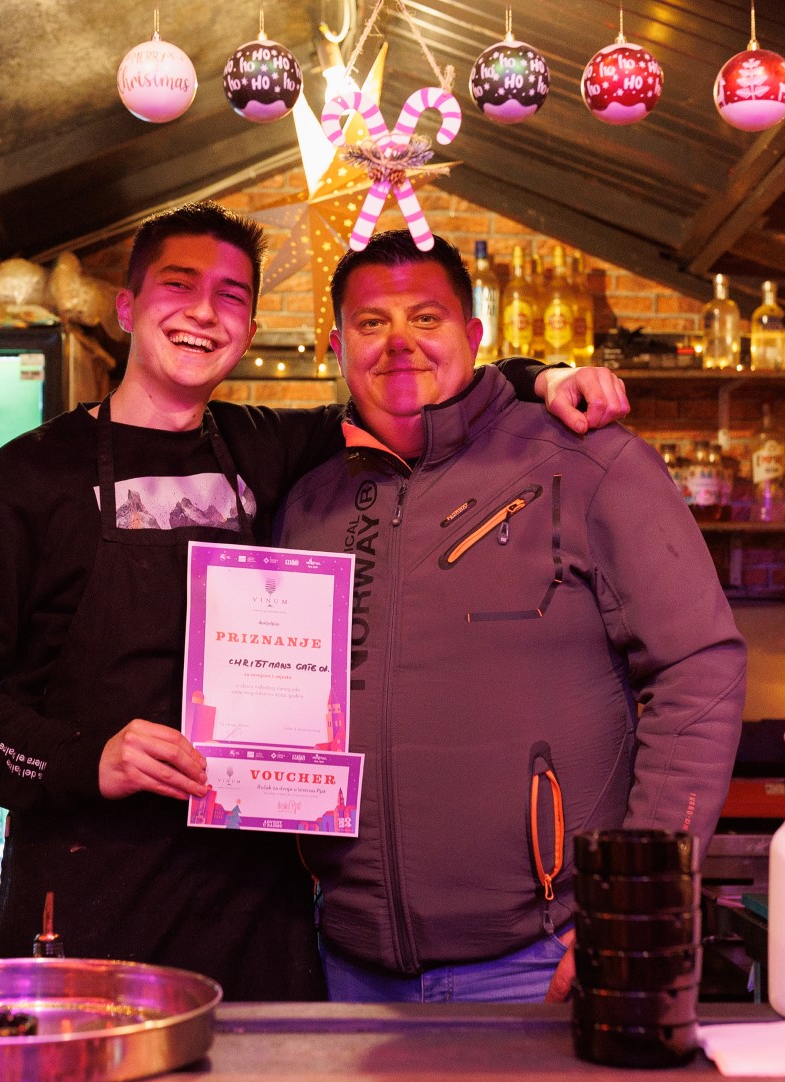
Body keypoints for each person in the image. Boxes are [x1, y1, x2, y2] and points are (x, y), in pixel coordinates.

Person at [0, 202, 628, 1000]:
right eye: (179, 286)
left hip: (252, 906)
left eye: (232, 296)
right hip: (87, 892)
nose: (204, 313)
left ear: (248, 329)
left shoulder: (267, 445)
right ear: (127, 308)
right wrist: (85, 758)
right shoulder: (25, 479)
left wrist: (543, 377)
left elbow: (412, 383)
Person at [276, 230, 747, 1004]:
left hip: (541, 961)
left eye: (426, 318)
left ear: (474, 336)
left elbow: (699, 669)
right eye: (371, 322)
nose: (399, 342)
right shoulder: (307, 502)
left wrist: (637, 899)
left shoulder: (589, 463)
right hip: (346, 964)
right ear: (337, 347)